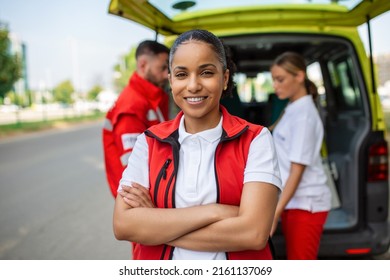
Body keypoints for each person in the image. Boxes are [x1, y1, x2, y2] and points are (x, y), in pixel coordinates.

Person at [113, 29, 282, 260]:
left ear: (224, 79)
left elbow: (253, 234)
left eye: (206, 72)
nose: (193, 86)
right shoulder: (149, 141)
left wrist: (155, 223)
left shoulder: (255, 139)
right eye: (181, 75)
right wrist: (216, 212)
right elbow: (123, 225)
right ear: (171, 81)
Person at [269, 51, 332, 260]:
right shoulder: (294, 107)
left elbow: (297, 171)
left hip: (306, 203)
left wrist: (275, 213)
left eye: (280, 80)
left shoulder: (304, 116)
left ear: (299, 76)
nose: (275, 86)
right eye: (274, 80)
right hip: (293, 201)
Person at [103, 40, 170, 197]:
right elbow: (133, 171)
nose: (167, 74)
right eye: (162, 67)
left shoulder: (152, 98)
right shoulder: (132, 105)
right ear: (143, 65)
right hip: (138, 199)